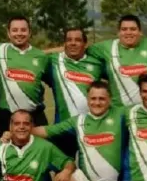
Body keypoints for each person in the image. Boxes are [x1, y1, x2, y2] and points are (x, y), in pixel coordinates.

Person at [34, 81, 124, 181]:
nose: (97, 102)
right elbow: (48, 131)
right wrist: (17, 131)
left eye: (101, 99)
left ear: (110, 100)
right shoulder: (79, 121)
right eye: (93, 99)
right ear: (87, 100)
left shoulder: (122, 115)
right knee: (62, 180)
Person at [0, 16, 50, 136]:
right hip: (7, 117)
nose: (19, 33)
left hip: (35, 116)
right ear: (8, 33)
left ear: (30, 32)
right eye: (15, 30)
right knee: (6, 154)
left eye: (23, 30)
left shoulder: (41, 56)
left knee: (39, 154)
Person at [43, 26, 104, 157]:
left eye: (77, 40)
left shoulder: (97, 64)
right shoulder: (53, 61)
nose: (73, 43)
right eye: (69, 40)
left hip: (90, 129)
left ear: (85, 43)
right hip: (63, 130)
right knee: (64, 173)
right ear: (64, 43)